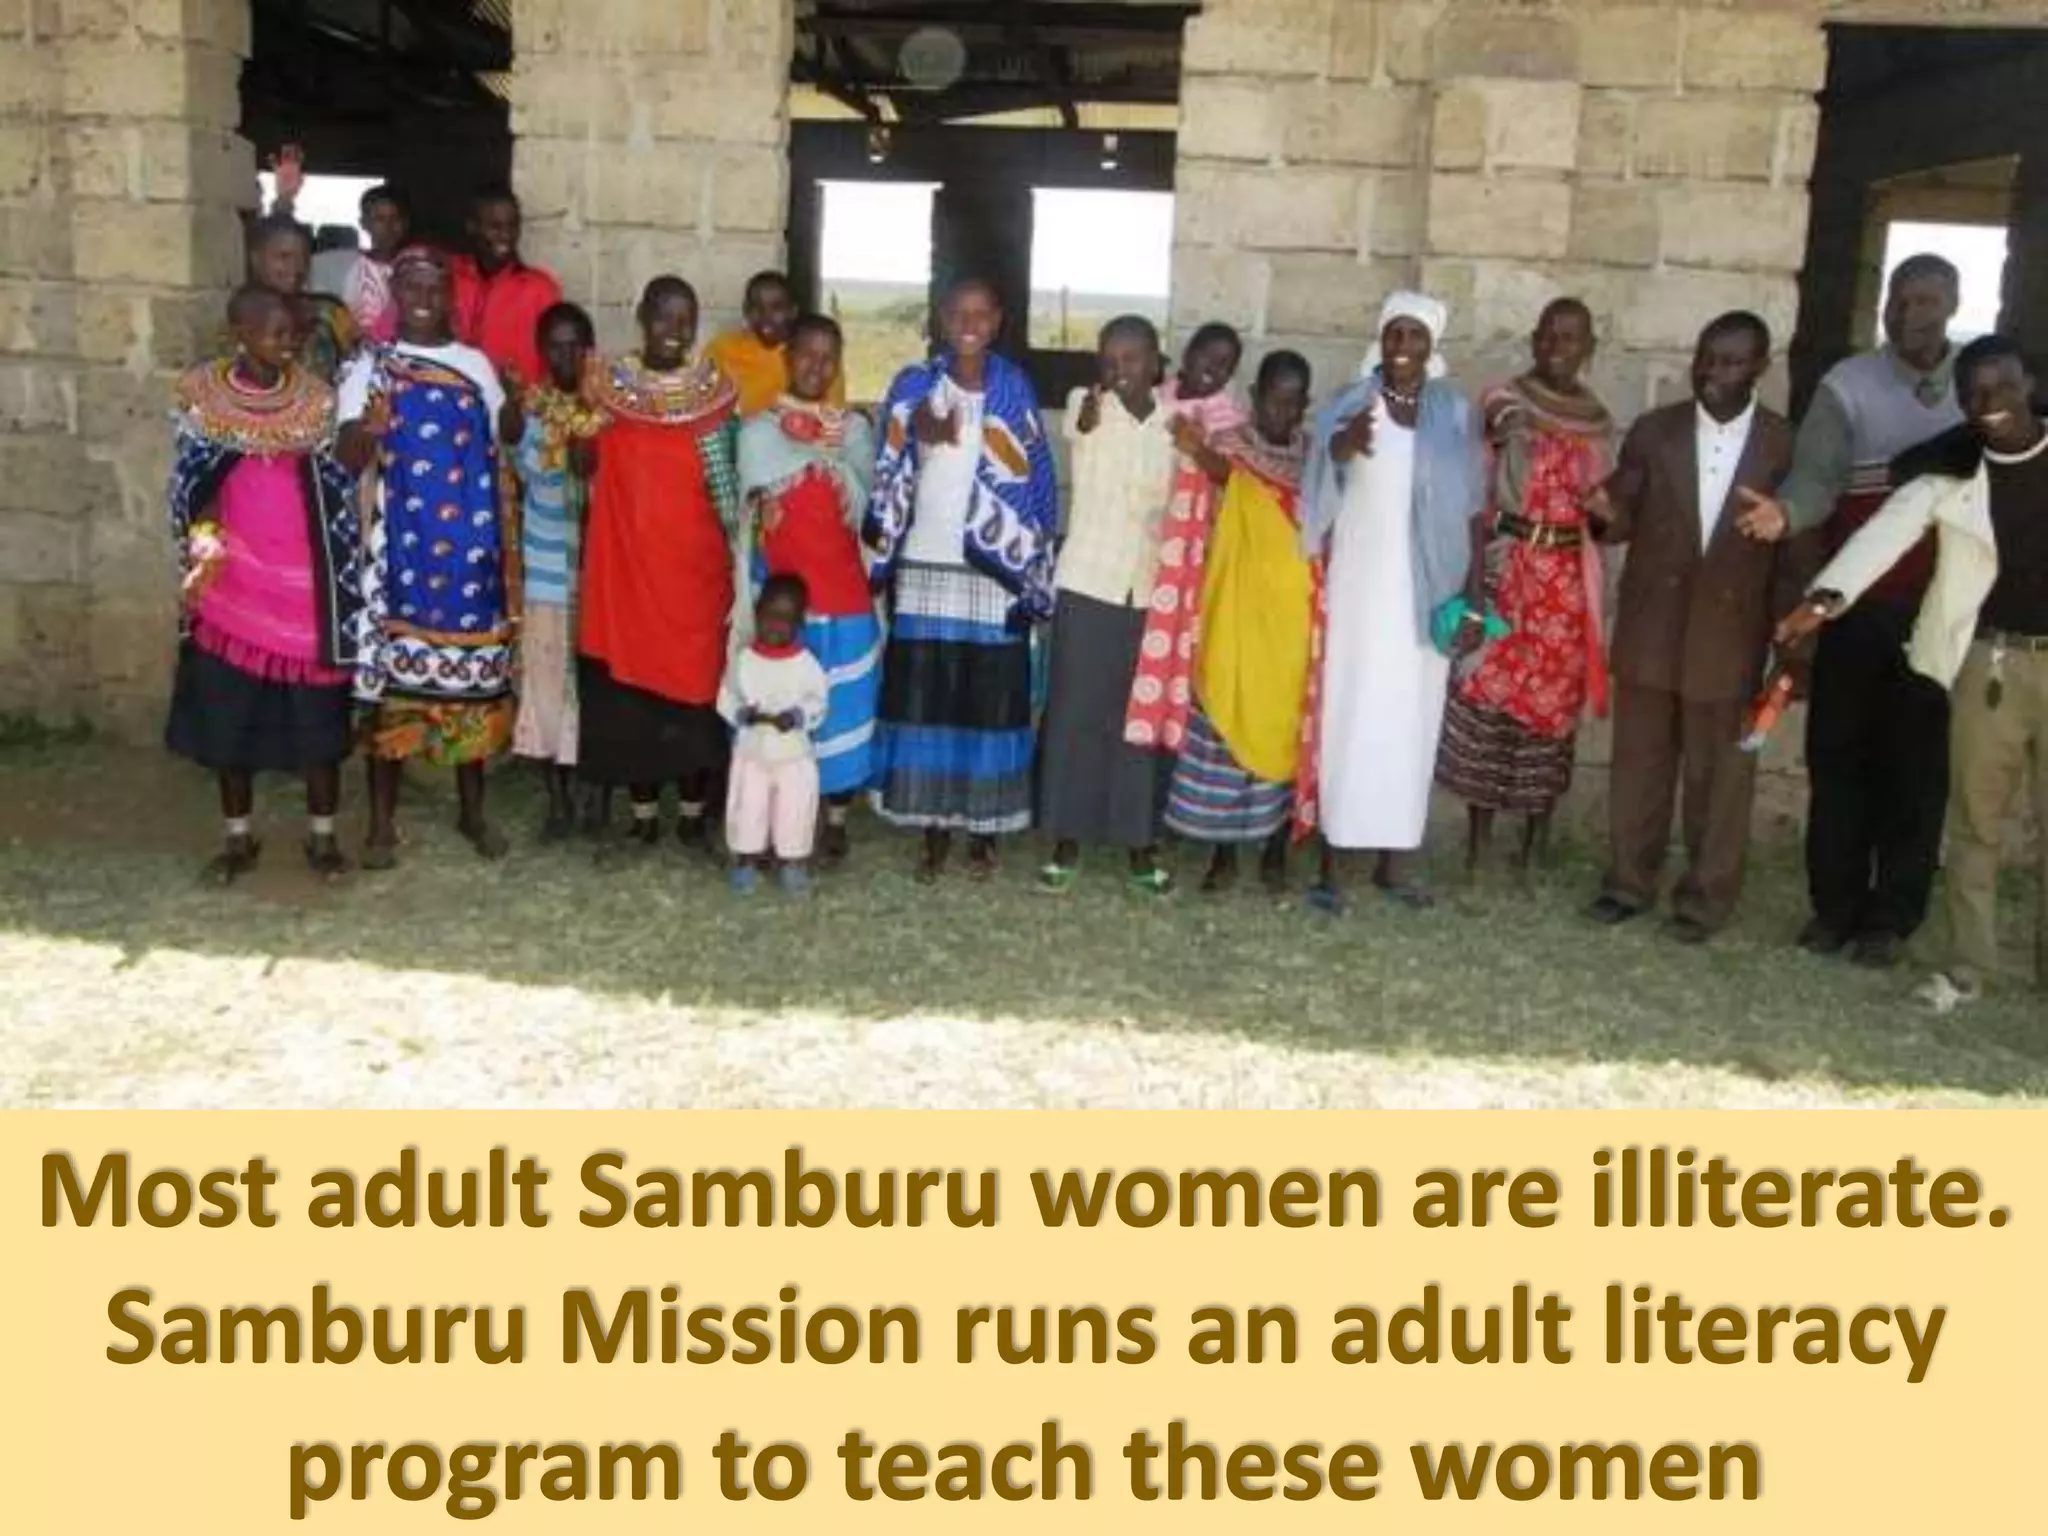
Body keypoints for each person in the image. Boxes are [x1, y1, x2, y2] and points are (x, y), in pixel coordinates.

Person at [1774, 334, 2048, 1010]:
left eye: (2003, 387)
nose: (1990, 404)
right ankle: (1967, 965)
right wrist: (1821, 600)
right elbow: (1887, 531)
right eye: (1974, 393)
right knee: (1976, 824)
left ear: (2031, 385)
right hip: (1991, 658)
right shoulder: (1952, 470)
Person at [1744, 256, 1965, 968]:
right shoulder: (1848, 385)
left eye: (1925, 301)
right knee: (1839, 759)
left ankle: (1889, 919)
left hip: (1940, 616)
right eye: (1898, 301)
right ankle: (1833, 908)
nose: (1909, 314)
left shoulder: (1982, 382)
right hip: (1853, 609)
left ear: (1952, 303)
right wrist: (1786, 514)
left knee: (1917, 769)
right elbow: (1817, 478)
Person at [1582, 312, 1797, 942]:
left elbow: (1795, 553)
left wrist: (1793, 641)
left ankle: (1704, 900)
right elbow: (1622, 511)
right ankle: (1627, 883)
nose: (1714, 373)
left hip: (1732, 636)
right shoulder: (1655, 431)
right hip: (1654, 628)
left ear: (1761, 367)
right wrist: (1603, 515)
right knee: (1640, 766)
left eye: (1731, 362)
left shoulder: (1783, 443)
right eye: (1707, 358)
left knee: (1721, 778)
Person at [165, 285, 363, 883]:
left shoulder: (315, 402)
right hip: (234, 589)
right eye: (275, 332)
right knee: (232, 723)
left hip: (306, 590)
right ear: (239, 334)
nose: (288, 343)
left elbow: (337, 487)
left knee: (319, 724)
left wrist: (364, 440)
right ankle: (237, 838)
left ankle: (322, 839)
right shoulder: (203, 399)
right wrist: (200, 540)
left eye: (293, 333)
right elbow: (190, 485)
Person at [1297, 292, 1486, 913]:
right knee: (1350, 713)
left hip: (1429, 588)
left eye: (1415, 337)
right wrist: (1345, 443)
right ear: (1380, 340)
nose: (1403, 348)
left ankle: (1395, 861)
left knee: (1413, 719)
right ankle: (1333, 862)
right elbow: (1323, 477)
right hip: (1362, 588)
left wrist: (1475, 595)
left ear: (1433, 347)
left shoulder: (1451, 412)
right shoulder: (1352, 405)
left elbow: (1473, 508)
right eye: (1394, 335)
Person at [865, 277, 1058, 883]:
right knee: (929, 698)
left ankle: (984, 830)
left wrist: (1029, 563)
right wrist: (913, 439)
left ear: (997, 321)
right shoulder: (914, 386)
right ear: (942, 319)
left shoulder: (1013, 388)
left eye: (982, 313)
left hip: (992, 569)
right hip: (927, 560)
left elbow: (1035, 482)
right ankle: (933, 828)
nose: (970, 322)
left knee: (989, 701)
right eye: (958, 313)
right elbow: (884, 469)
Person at [336, 246, 516, 868]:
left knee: (473, 687)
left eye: (434, 287)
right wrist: (370, 427)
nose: (421, 297)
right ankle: (382, 826)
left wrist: (520, 404)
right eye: (408, 285)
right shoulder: (370, 367)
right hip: (399, 557)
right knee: (392, 692)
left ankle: (472, 813)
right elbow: (346, 458)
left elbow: (504, 443)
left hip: (469, 557)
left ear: (452, 298)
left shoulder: (475, 366)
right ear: (393, 293)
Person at [1436, 297, 1617, 880]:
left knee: (1550, 716)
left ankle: (1535, 847)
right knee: (1488, 699)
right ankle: (1478, 846)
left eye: (1572, 338)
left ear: (1589, 349)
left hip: (1564, 589)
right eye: (1550, 335)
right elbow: (1499, 432)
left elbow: (1603, 513)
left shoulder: (1597, 420)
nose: (1558, 348)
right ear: (1534, 339)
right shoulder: (1505, 399)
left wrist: (1607, 510)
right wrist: (1518, 433)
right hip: (1509, 572)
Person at [578, 276, 743, 854]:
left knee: (694, 695)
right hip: (625, 569)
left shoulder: (716, 393)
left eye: (686, 319)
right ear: (642, 315)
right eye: (664, 317)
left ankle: (694, 815)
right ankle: (644, 814)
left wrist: (740, 556)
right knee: (631, 697)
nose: (675, 331)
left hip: (693, 576)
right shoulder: (607, 386)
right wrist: (578, 420)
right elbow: (584, 468)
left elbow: (726, 491)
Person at [1163, 349, 1316, 895]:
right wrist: (1198, 449)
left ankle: (1274, 850)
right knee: (1228, 721)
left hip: (1293, 619)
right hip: (1233, 610)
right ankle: (1222, 853)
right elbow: (1221, 474)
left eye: (1294, 402)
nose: (1283, 411)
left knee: (1280, 730)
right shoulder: (1231, 448)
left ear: (1305, 405)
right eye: (1274, 399)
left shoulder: (1315, 461)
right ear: (1254, 398)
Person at [1037, 316, 1180, 894]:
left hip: (1149, 589)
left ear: (1155, 361)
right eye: (1110, 359)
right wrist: (1095, 406)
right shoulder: (1084, 406)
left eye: (1133, 358)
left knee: (1137, 721)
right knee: (1075, 713)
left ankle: (1138, 843)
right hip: (1089, 582)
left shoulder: (1177, 424)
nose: (1120, 370)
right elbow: (1081, 421)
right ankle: (1067, 840)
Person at [735, 313, 878, 865]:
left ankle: (834, 820)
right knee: (777, 714)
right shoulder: (757, 433)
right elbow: (742, 516)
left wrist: (838, 453)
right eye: (806, 355)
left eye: (828, 358)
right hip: (782, 608)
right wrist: (758, 506)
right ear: (786, 357)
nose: (816, 367)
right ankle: (773, 821)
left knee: (840, 713)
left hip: (843, 598)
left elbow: (868, 511)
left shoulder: (854, 432)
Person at [504, 301, 606, 840]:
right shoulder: (532, 411)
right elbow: (520, 471)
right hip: (546, 569)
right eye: (556, 346)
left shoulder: (608, 407)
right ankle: (557, 798)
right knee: (546, 690)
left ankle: (592, 791)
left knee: (592, 689)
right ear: (542, 352)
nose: (566, 355)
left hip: (599, 575)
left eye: (576, 345)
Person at [1125, 321, 1248, 755]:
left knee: (1178, 654)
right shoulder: (1157, 398)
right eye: (1206, 355)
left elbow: (1232, 477)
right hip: (1138, 549)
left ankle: (1167, 748)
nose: (1212, 369)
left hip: (1189, 557)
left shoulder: (1229, 420)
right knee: (1136, 655)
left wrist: (1198, 447)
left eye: (1225, 365)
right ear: (1186, 352)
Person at [718, 575, 831, 897]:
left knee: (794, 810)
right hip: (752, 752)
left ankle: (792, 865)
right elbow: (727, 695)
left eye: (786, 618)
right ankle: (746, 862)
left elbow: (818, 701)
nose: (775, 625)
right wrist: (742, 714)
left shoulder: (806, 664)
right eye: (769, 614)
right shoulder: (743, 660)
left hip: (793, 755)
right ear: (757, 612)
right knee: (748, 806)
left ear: (799, 622)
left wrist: (797, 717)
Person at [450, 185, 563, 392]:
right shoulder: (449, 276)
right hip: (455, 406)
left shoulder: (540, 288)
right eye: (495, 226)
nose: (506, 235)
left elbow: (556, 359)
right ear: (471, 226)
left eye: (512, 226)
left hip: (519, 413)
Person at [708, 271, 847, 418]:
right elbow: (703, 405)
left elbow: (833, 413)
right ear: (746, 311)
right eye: (756, 307)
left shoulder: (812, 358)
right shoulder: (722, 349)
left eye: (777, 308)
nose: (765, 317)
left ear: (793, 311)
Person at [240, 214, 359, 385]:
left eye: (304, 257)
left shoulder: (329, 311)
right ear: (256, 258)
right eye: (284, 257)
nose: (297, 267)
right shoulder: (241, 315)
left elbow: (356, 369)